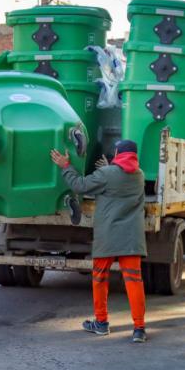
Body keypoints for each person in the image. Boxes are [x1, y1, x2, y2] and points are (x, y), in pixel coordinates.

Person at [50, 140, 148, 343]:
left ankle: (101, 323)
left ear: (118, 153)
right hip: (131, 238)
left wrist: (66, 166)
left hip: (108, 237)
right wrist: (108, 168)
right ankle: (139, 328)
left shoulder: (107, 175)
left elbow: (80, 185)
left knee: (100, 279)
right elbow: (118, 180)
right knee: (134, 282)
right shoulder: (140, 175)